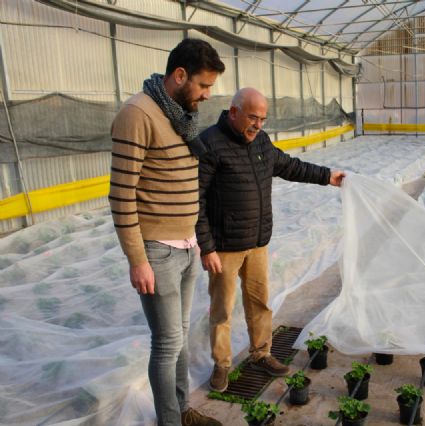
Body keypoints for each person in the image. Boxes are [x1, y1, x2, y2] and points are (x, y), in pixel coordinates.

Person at [196, 87, 346, 392]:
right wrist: (207, 246)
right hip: (224, 247)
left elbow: (290, 166)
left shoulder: (261, 141)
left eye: (263, 119)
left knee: (259, 302)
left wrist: (326, 175)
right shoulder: (210, 144)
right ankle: (222, 365)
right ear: (234, 111)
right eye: (253, 117)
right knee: (222, 309)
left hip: (257, 242)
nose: (258, 125)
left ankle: (261, 353)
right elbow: (194, 199)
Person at [109, 38, 225, 426]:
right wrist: (137, 259)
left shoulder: (180, 115)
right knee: (167, 343)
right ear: (179, 76)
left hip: (187, 244)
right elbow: (122, 196)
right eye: (204, 85)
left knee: (179, 338)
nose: (208, 95)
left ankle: (181, 410)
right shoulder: (137, 114)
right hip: (157, 251)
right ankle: (171, 421)